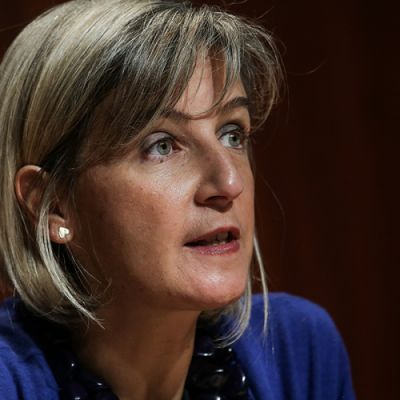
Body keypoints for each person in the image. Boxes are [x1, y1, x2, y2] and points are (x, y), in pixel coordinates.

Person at [0, 0, 355, 399]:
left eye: (232, 134)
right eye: (162, 145)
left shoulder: (296, 350)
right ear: (52, 204)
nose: (229, 182)